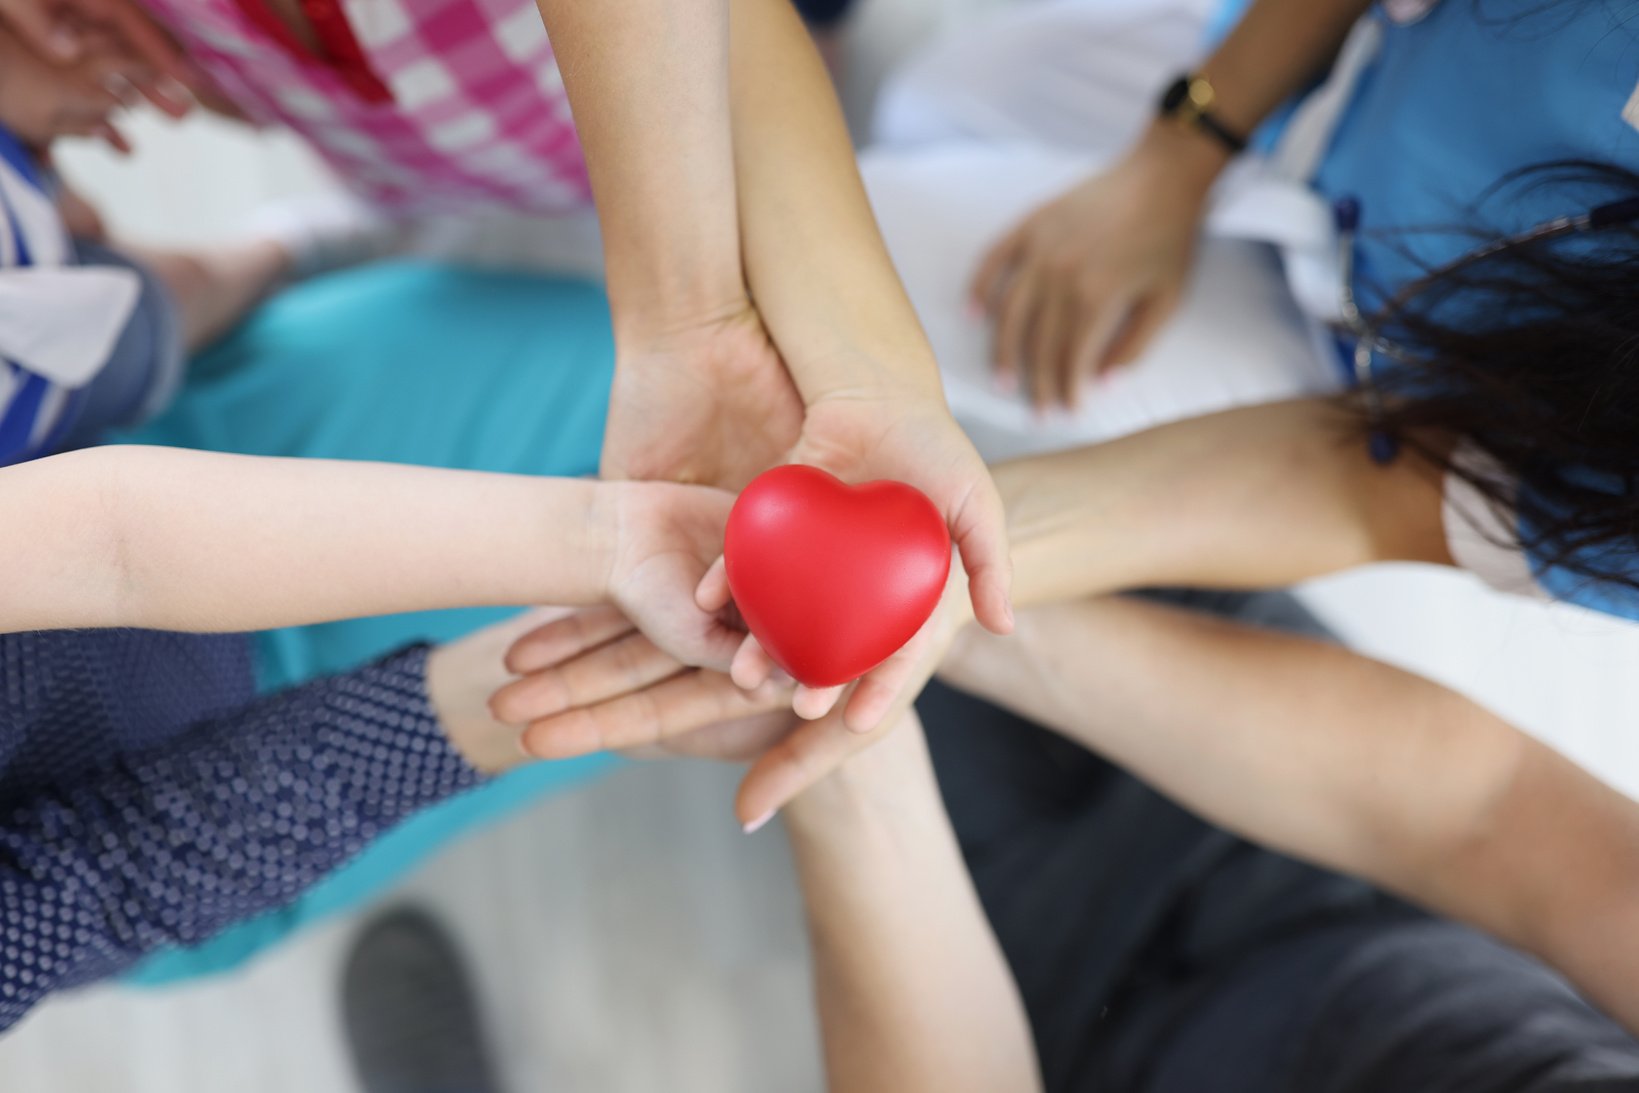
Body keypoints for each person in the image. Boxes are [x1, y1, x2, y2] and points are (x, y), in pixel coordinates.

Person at [336, 591, 1639, 1091]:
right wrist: (948, 621)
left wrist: (849, 763)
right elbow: (1484, 811)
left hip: (1076, 1034)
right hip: (1343, 881)